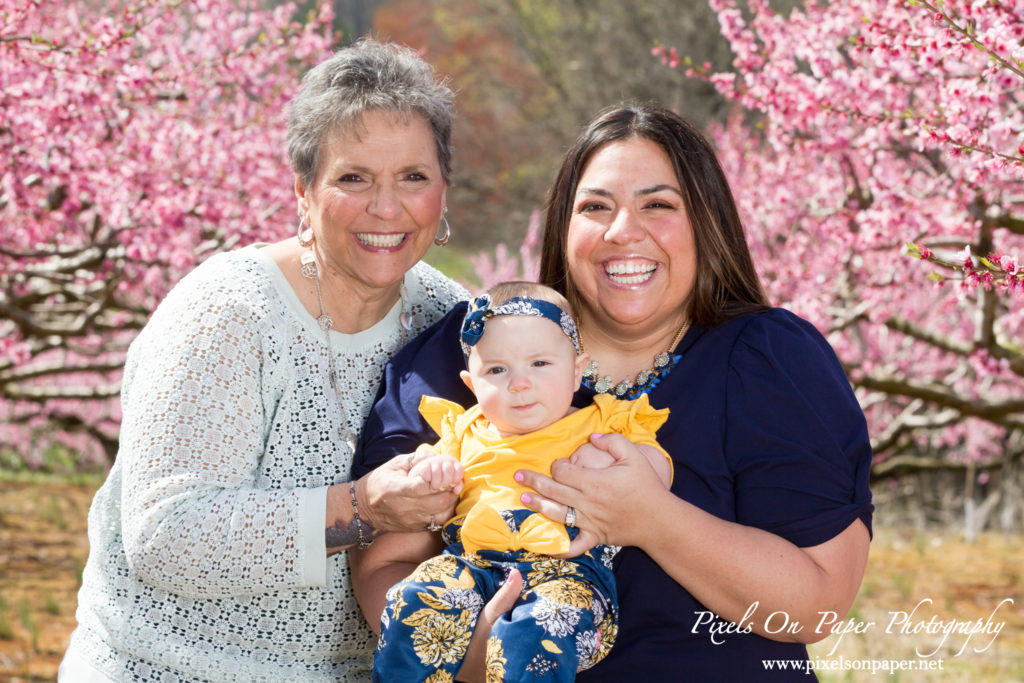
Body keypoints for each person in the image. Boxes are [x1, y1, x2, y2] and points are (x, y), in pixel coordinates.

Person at [351, 102, 873, 680]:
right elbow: (385, 562)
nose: (623, 232)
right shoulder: (476, 347)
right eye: (595, 207)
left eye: (658, 205)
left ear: (707, 221)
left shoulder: (770, 360)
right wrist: (475, 661)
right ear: (563, 227)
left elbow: (819, 604)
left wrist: (652, 518)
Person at [59, 39, 470, 682]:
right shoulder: (228, 311)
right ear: (304, 191)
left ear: (443, 190)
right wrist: (361, 508)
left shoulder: (456, 320)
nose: (386, 208)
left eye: (413, 177)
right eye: (353, 177)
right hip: (165, 669)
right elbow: (165, 538)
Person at [371, 281, 672, 682]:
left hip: (569, 572)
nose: (519, 383)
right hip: (471, 566)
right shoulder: (465, 429)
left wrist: (615, 460)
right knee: (411, 599)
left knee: (538, 631)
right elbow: (427, 468)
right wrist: (431, 472)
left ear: (577, 370)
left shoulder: (602, 423)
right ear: (471, 385)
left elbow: (659, 474)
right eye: (497, 370)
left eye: (540, 364)